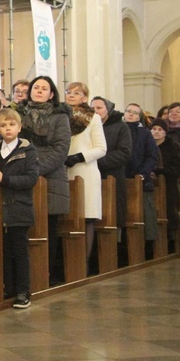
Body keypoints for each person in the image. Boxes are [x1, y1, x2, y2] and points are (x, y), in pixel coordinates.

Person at [18, 75, 70, 285]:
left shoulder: (60, 117)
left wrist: (36, 170)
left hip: (51, 177)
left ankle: (47, 273)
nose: (39, 91)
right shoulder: (19, 113)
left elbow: (61, 149)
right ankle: (25, 276)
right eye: (36, 87)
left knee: (48, 225)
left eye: (44, 88)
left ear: (51, 94)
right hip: (22, 174)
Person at [0, 108, 39, 309]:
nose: (8, 128)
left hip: (19, 208)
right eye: (3, 125)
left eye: (11, 125)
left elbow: (31, 178)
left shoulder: (27, 150)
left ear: (19, 127)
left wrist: (5, 179)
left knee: (19, 251)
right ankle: (8, 288)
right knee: (5, 251)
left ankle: (24, 291)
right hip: (0, 208)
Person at [63, 82, 106, 269]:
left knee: (86, 217)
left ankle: (83, 264)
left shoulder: (92, 118)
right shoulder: (60, 116)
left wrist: (79, 157)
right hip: (63, 172)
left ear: (84, 98)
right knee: (66, 219)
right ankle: (67, 265)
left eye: (76, 93)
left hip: (85, 172)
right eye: (68, 92)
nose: (71, 95)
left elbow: (101, 148)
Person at [124, 103, 159, 258]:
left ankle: (147, 247)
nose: (130, 114)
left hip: (141, 179)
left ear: (139, 117)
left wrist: (143, 173)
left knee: (145, 212)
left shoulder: (144, 133)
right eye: (128, 111)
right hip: (121, 178)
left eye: (134, 112)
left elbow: (152, 156)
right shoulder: (119, 129)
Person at [93, 97, 132, 232]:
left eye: (99, 108)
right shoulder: (87, 126)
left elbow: (124, 152)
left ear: (108, 110)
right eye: (92, 108)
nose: (95, 111)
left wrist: (96, 162)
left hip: (112, 176)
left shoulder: (121, 127)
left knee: (112, 213)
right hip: (92, 177)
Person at [150, 118, 180, 251]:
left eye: (160, 130)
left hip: (168, 185)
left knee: (169, 211)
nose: (156, 132)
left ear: (165, 132)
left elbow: (177, 168)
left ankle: (170, 241)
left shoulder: (173, 147)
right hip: (150, 184)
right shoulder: (147, 144)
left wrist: (159, 172)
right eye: (154, 129)